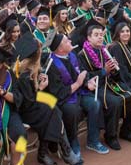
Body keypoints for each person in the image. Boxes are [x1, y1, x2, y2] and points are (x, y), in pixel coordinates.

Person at [11, 35, 80, 165]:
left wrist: (39, 85)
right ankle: (60, 151)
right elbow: (28, 101)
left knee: (53, 109)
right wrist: (41, 87)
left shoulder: (28, 68)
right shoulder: (23, 75)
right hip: (24, 109)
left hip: (32, 103)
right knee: (51, 113)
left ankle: (50, 152)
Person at [76, 20, 131, 150]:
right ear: (89, 38)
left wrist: (115, 69)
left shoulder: (104, 50)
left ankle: (126, 131)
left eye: (101, 34)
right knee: (115, 103)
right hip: (95, 88)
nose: (100, 37)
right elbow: (86, 77)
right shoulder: (81, 55)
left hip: (110, 83)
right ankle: (110, 136)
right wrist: (104, 71)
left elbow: (114, 75)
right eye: (96, 35)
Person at [45, 32, 107, 156]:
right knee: (72, 111)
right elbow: (58, 93)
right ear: (60, 48)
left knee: (95, 103)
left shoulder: (72, 55)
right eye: (67, 41)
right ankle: (73, 143)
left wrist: (87, 82)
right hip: (63, 99)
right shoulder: (51, 65)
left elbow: (82, 72)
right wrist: (78, 83)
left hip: (78, 92)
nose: (71, 42)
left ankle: (93, 141)